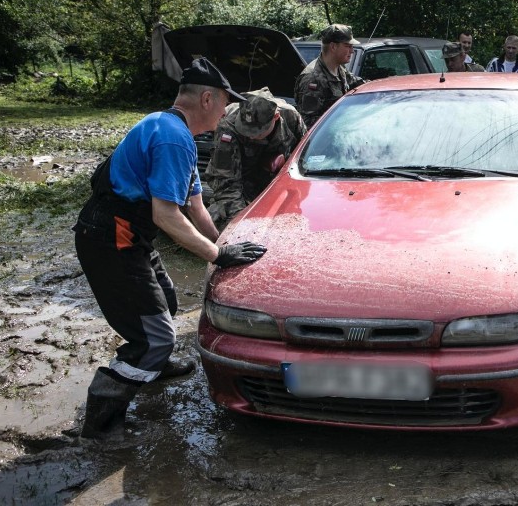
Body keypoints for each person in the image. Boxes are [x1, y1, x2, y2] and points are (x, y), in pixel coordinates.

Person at [72, 57, 267, 440]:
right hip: (110, 237)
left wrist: (223, 243)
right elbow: (166, 215)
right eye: (226, 103)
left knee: (166, 299)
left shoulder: (176, 131)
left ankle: (155, 367)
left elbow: (194, 205)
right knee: (154, 337)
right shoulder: (171, 137)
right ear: (207, 99)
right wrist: (215, 256)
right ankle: (102, 421)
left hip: (130, 235)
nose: (227, 113)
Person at [204, 87, 307, 230]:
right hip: (241, 186)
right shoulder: (227, 125)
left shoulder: (291, 117)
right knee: (219, 219)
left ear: (275, 117)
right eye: (246, 130)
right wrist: (241, 225)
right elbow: (227, 185)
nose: (251, 136)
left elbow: (305, 158)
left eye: (257, 132)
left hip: (279, 186)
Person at [295, 24, 366, 128]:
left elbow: (356, 83)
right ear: (333, 46)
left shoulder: (338, 68)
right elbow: (309, 123)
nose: (352, 51)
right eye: (348, 46)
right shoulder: (312, 79)